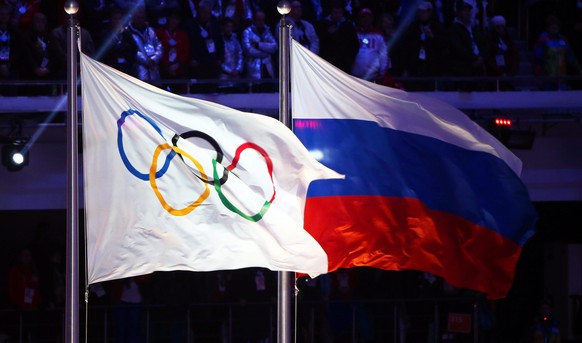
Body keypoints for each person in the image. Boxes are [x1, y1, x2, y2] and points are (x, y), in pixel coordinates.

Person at [400, 1, 447, 90]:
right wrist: (406, 68)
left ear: (430, 12)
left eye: (423, 11)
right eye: (419, 11)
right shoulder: (413, 28)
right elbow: (407, 49)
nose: (421, 14)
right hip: (415, 68)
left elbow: (442, 48)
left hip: (431, 69)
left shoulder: (437, 28)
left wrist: (432, 37)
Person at [534, 15, 581, 90]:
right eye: (552, 26)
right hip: (548, 80)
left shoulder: (563, 40)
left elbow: (570, 57)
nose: (554, 28)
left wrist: (579, 69)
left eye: (556, 26)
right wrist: (539, 76)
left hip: (562, 79)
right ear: (547, 28)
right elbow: (538, 59)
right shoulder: (542, 41)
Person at [447, 0, 487, 90]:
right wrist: (474, 58)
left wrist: (481, 57)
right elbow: (458, 49)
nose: (467, 13)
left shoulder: (475, 29)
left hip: (479, 71)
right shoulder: (454, 29)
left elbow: (484, 45)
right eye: (464, 10)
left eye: (469, 10)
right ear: (458, 12)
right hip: (463, 71)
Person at [184, 0, 224, 79]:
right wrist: (190, 59)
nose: (206, 15)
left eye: (208, 13)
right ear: (199, 11)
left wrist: (220, 58)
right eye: (204, 12)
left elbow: (220, 43)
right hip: (196, 63)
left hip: (213, 62)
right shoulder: (190, 25)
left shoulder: (214, 25)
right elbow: (187, 44)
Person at [316, 0, 359, 73]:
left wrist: (349, 60)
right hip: (327, 62)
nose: (337, 15)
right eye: (335, 12)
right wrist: (327, 34)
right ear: (331, 12)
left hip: (344, 64)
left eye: (339, 12)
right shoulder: (322, 24)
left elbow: (355, 45)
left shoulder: (348, 25)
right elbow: (318, 43)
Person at [126, 6, 163, 82]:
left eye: (142, 17)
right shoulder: (127, 32)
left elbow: (159, 46)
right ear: (133, 17)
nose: (140, 20)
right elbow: (132, 50)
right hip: (138, 70)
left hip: (154, 68)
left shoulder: (150, 30)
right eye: (138, 17)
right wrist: (146, 61)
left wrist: (154, 59)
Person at [96, 7, 137, 75]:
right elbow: (104, 53)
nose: (118, 21)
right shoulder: (105, 34)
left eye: (120, 19)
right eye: (116, 19)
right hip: (111, 68)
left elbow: (134, 49)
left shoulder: (126, 34)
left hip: (126, 67)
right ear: (111, 20)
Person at [351, 8, 388, 82]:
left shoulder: (378, 34)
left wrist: (382, 71)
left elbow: (383, 54)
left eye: (368, 17)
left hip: (373, 76)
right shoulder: (354, 33)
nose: (366, 20)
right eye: (363, 17)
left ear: (371, 19)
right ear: (359, 19)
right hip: (355, 76)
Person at [241, 9, 277, 79]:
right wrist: (267, 53)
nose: (261, 22)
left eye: (262, 20)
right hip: (253, 69)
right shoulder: (247, 32)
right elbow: (248, 50)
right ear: (253, 20)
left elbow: (274, 47)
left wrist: (258, 45)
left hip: (267, 68)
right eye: (258, 19)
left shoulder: (267, 31)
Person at [155, 10, 189, 82]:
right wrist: (167, 65)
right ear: (168, 19)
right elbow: (157, 50)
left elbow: (185, 51)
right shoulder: (159, 32)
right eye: (172, 18)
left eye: (177, 19)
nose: (174, 21)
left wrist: (177, 64)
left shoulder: (182, 34)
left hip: (178, 67)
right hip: (163, 67)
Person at [484, 15, 517, 89]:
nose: (500, 29)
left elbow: (514, 56)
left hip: (508, 74)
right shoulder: (489, 41)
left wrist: (511, 72)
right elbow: (488, 58)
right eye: (498, 27)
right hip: (494, 75)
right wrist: (499, 73)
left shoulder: (509, 40)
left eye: (502, 26)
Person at [0, 4, 21, 95]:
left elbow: (18, 50)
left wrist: (10, 64)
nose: (4, 16)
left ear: (9, 16)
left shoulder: (15, 31)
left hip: (11, 67)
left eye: (6, 14)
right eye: (2, 14)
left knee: (12, 93)